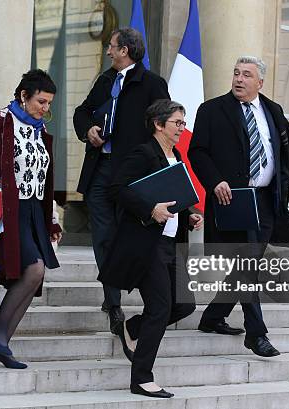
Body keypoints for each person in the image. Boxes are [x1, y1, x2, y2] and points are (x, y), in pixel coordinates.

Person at [188, 56, 289, 357]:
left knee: (248, 264)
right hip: (233, 200)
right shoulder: (212, 110)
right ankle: (256, 334)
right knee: (247, 265)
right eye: (236, 73)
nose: (239, 79)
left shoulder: (273, 110)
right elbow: (198, 152)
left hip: (268, 201)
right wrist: (215, 181)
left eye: (246, 75)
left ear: (260, 82)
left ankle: (213, 317)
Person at [99, 99, 201, 398]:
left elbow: (173, 197)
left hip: (171, 242)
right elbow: (116, 189)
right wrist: (149, 209)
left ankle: (131, 328)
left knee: (184, 305)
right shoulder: (143, 153)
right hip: (148, 244)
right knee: (159, 308)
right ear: (159, 124)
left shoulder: (177, 155)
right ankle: (141, 377)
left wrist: (189, 214)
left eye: (183, 123)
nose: (182, 128)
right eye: (177, 123)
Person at [0, 69, 62, 368]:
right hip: (8, 212)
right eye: (41, 102)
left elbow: (43, 179)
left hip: (33, 212)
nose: (45, 109)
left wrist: (52, 219)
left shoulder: (40, 130)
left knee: (37, 274)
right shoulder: (0, 121)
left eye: (48, 104)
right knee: (34, 270)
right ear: (23, 96)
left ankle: (1, 340)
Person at [73, 27, 170, 335]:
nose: (108, 52)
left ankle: (145, 297)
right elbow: (82, 112)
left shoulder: (153, 84)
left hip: (132, 174)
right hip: (100, 168)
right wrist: (88, 128)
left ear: (125, 50)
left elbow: (163, 127)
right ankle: (112, 300)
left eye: (112, 47)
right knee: (102, 235)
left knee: (125, 236)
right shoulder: (104, 80)